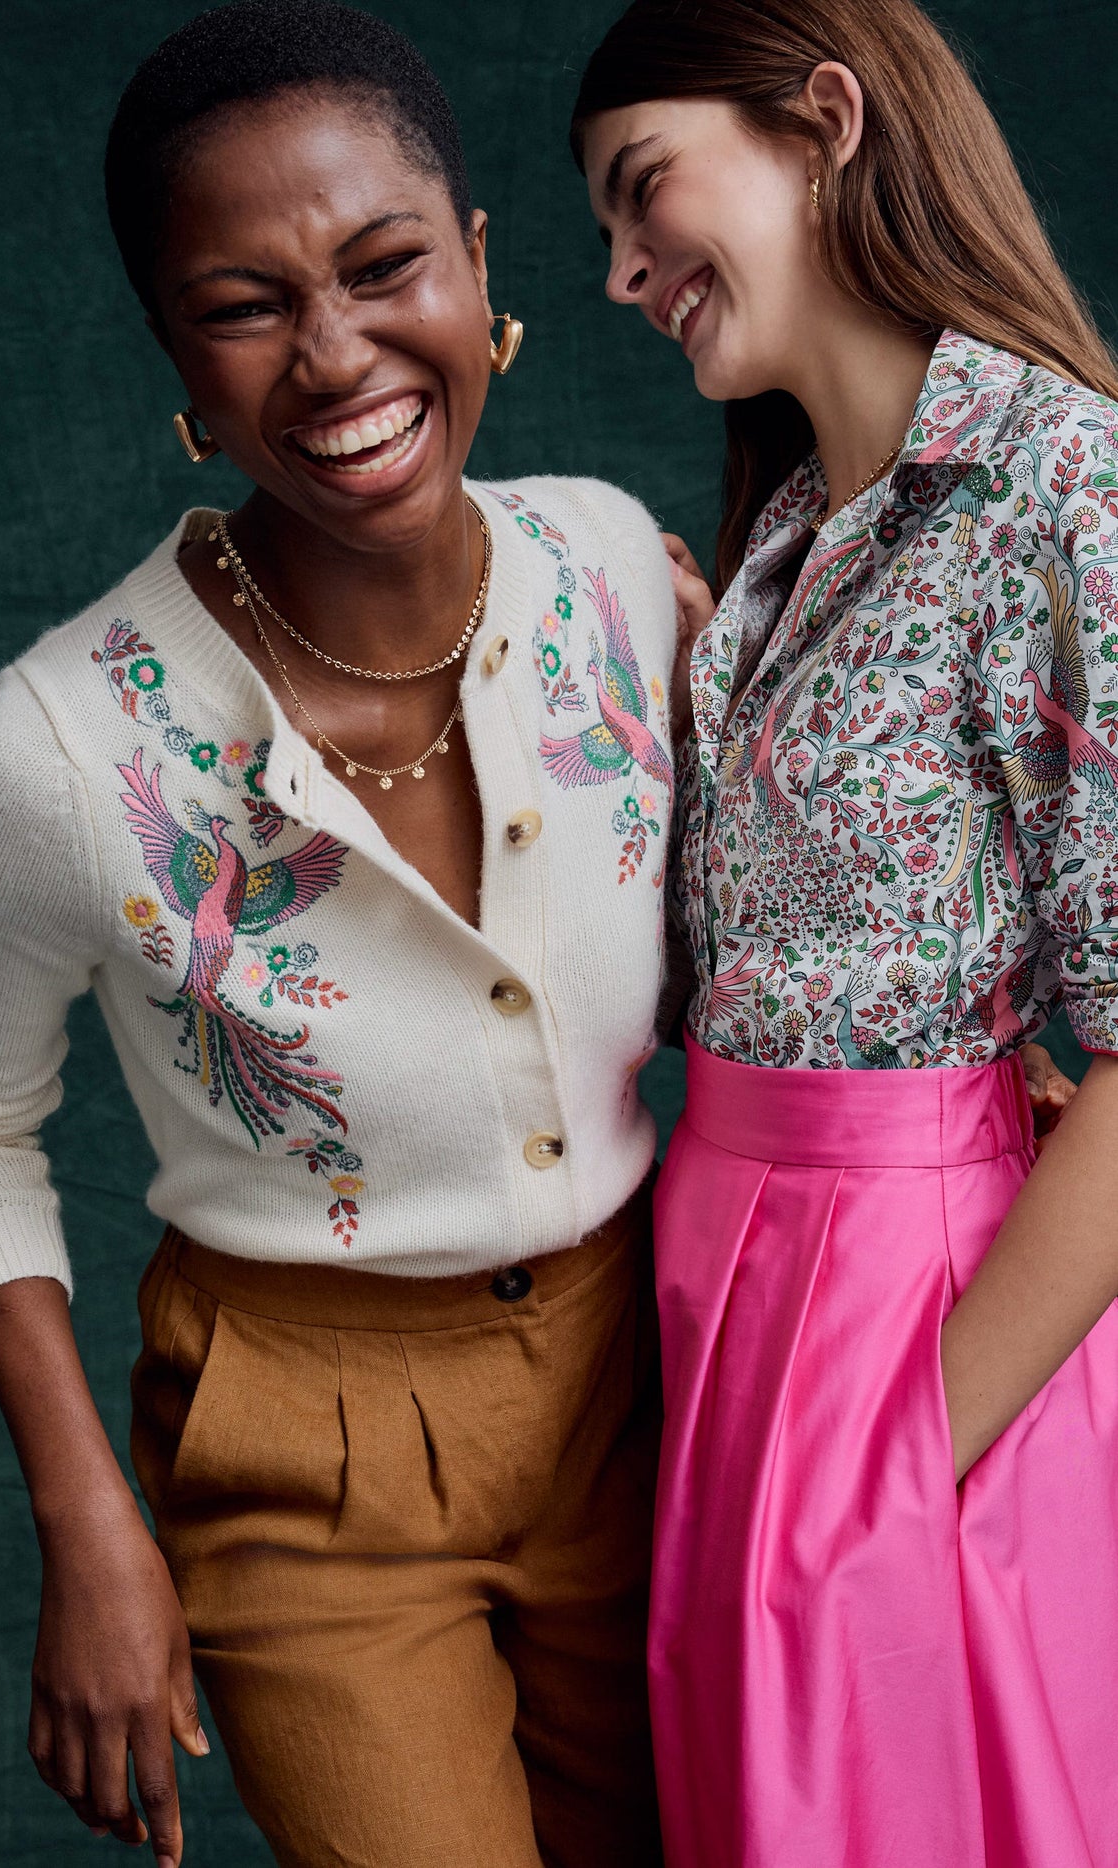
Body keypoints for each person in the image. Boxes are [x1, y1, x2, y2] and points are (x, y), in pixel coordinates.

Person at [0, 3, 681, 1863]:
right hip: (304, 1453)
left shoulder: (622, 570)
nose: (333, 355)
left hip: (661, 1386)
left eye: (383, 264)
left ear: (477, 268)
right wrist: (88, 1526)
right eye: (242, 304)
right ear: (179, 358)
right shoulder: (54, 747)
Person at [571, 2, 1118, 1863]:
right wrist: (695, 653)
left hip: (911, 1320)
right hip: (726, 1303)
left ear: (822, 121)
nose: (623, 271)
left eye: (642, 193)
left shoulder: (1064, 485)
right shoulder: (798, 532)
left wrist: (906, 1460)